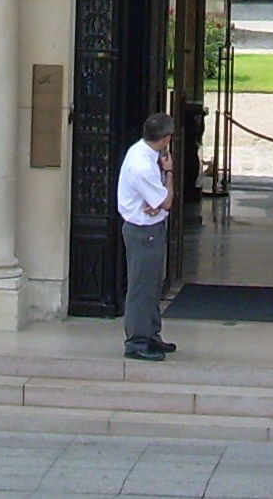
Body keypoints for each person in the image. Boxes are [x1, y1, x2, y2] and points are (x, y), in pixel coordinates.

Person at [115, 111, 176, 361]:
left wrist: (157, 201)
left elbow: (158, 202)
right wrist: (169, 173)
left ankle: (151, 334)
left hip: (150, 227)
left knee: (153, 284)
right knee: (141, 287)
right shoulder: (143, 165)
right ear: (166, 138)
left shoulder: (143, 153)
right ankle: (137, 341)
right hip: (144, 231)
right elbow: (167, 201)